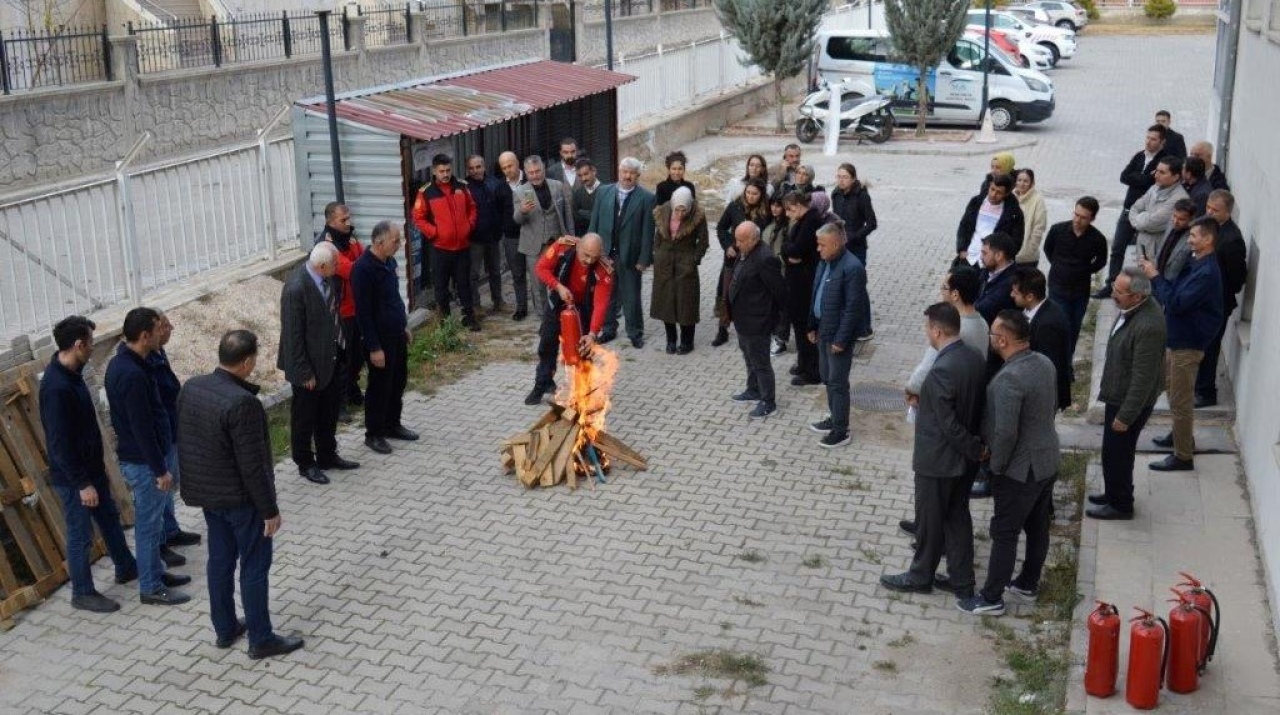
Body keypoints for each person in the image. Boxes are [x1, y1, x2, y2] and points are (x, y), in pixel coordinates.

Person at [178, 329, 305, 659]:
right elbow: (253, 466)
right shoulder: (242, 403)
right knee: (254, 565)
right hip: (240, 502)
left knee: (219, 561)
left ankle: (225, 628)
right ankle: (261, 639)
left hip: (209, 497)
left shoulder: (193, 387)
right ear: (247, 362)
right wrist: (269, 510)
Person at [881, 302, 986, 597]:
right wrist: (975, 450)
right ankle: (961, 580)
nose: (926, 333)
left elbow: (949, 424)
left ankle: (920, 577)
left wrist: (974, 447)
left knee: (929, 522)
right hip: (964, 462)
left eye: (927, 328)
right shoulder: (974, 357)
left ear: (937, 331)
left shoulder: (941, 369)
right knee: (957, 518)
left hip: (938, 461)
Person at [958, 311, 1060, 616]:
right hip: (1047, 459)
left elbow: (1005, 432)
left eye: (992, 335)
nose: (990, 339)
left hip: (1019, 469)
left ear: (1002, 340)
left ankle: (992, 597)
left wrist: (996, 466)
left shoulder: (1008, 379)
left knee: (1004, 531)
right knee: (1038, 525)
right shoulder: (1044, 363)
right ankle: (1028, 582)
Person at [40, 316, 138, 613]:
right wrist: (82, 484)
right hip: (74, 480)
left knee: (109, 518)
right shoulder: (56, 388)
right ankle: (82, 592)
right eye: (91, 344)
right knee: (81, 535)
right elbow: (58, 444)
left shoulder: (72, 373)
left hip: (91, 469)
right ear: (78, 345)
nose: (93, 349)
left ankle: (126, 567)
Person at [105, 307, 191, 606]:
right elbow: (142, 427)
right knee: (149, 525)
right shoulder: (130, 374)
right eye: (157, 329)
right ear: (144, 336)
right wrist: (160, 469)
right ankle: (151, 587)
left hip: (146, 459)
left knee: (152, 524)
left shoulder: (130, 363)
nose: (162, 333)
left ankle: (157, 571)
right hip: (144, 464)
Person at [1139, 217, 1223, 472]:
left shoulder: (1206, 272)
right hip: (1177, 338)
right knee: (1172, 390)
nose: (1189, 240)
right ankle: (1179, 435)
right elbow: (1175, 289)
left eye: (1194, 236)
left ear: (1208, 240)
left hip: (1188, 343)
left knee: (1180, 401)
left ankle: (1183, 455)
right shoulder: (1195, 262)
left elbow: (1176, 302)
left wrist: (1154, 276)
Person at [1087, 269, 1166, 520]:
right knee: (1112, 452)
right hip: (1118, 394)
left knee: (1119, 453)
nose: (1113, 294)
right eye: (1113, 288)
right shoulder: (1133, 310)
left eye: (1119, 292)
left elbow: (1143, 378)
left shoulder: (1149, 326)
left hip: (1128, 403)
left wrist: (1126, 416)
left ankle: (1120, 504)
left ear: (1137, 296)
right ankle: (1113, 492)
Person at [278, 243, 359, 485]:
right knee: (304, 417)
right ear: (322, 266)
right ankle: (305, 463)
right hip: (308, 368)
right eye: (336, 264)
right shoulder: (296, 288)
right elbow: (293, 336)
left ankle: (327, 455)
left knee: (329, 411)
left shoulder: (328, 280)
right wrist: (304, 372)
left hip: (331, 360)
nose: (339, 268)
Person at [352, 221, 419, 455]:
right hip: (379, 340)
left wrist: (403, 326)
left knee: (398, 381)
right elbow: (364, 313)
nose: (400, 245)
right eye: (396, 241)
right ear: (379, 242)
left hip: (396, 334)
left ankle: (393, 424)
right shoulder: (363, 269)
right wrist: (373, 347)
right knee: (379, 387)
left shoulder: (389, 262)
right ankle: (374, 434)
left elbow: (394, 299)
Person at [524, 234, 614, 405]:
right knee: (547, 345)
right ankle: (542, 383)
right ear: (578, 247)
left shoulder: (604, 268)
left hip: (583, 308)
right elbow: (541, 268)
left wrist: (593, 334)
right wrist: (558, 286)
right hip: (559, 301)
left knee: (583, 350)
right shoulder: (563, 247)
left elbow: (601, 304)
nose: (588, 261)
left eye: (593, 257)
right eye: (585, 255)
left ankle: (583, 392)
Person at [145, 312, 201, 554]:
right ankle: (159, 542)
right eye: (165, 326)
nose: (170, 329)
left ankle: (170, 530)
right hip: (162, 433)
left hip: (171, 428)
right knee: (159, 490)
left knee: (169, 486)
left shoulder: (159, 353)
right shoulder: (145, 361)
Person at [807, 222, 866, 448]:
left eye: (822, 245)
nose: (818, 249)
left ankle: (841, 430)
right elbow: (816, 294)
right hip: (823, 330)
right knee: (827, 378)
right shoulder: (825, 262)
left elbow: (853, 308)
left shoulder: (853, 268)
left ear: (835, 243)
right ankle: (834, 417)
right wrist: (811, 325)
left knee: (838, 383)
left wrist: (841, 340)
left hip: (837, 337)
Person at [590, 156, 656, 348]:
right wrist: (591, 251)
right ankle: (608, 329)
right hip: (605, 255)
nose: (627, 176)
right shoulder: (603, 192)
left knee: (631, 296)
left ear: (638, 176)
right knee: (607, 294)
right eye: (624, 172)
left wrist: (644, 259)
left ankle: (635, 332)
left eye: (632, 173)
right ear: (619, 172)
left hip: (630, 257)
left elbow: (647, 232)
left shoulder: (646, 198)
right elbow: (594, 222)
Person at [1097, 124, 1169, 298]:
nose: (1149, 142)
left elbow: (1149, 183)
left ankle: (1141, 290)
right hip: (1129, 210)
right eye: (1148, 138)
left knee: (1145, 253)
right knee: (1117, 247)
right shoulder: (1139, 156)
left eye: (1153, 139)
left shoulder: (1163, 161)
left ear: (1162, 142)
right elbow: (1124, 176)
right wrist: (1142, 178)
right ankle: (1111, 284)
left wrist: (1139, 179)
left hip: (1147, 215)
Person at [412, 153, 479, 330]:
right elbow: (418, 218)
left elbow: (472, 207)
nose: (445, 174)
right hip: (440, 248)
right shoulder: (426, 192)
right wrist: (435, 233)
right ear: (434, 171)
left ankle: (469, 317)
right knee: (441, 287)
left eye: (448, 170)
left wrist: (469, 225)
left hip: (462, 247)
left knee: (464, 283)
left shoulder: (462, 187)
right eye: (441, 171)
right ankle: (445, 321)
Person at [728, 222, 787, 418]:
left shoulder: (765, 259)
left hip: (758, 321)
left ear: (754, 239)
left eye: (741, 240)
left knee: (761, 362)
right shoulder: (745, 252)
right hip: (743, 320)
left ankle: (768, 402)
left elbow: (779, 292)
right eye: (736, 239)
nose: (737, 244)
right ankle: (753, 390)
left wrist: (775, 322)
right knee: (748, 357)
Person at [1196, 190, 1247, 408]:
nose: (1209, 212)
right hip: (1204, 300)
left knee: (1210, 347)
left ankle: (1207, 392)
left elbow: (1236, 278)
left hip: (1218, 302)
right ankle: (1198, 385)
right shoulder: (1210, 227)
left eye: (1215, 210)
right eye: (1208, 207)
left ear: (1228, 211)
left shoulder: (1232, 239)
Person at [316, 201, 366, 419]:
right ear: (330, 221)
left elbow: (363, 257)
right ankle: (339, 404)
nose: (348, 223)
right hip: (338, 311)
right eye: (343, 220)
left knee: (356, 355)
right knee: (341, 359)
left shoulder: (350, 238)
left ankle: (353, 392)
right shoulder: (327, 246)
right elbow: (352, 271)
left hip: (355, 307)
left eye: (349, 218)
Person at [1044, 196, 1108, 359]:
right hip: (1058, 288)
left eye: (1083, 217)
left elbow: (1101, 261)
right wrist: (1059, 266)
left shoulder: (1097, 239)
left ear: (1092, 219)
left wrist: (1084, 270)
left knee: (1073, 328)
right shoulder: (1058, 230)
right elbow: (1048, 249)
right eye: (1076, 214)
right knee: (1057, 326)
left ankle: (1067, 362)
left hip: (1080, 291)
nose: (1078, 220)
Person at [515, 155, 575, 321]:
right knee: (538, 284)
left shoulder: (557, 186)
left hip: (559, 242)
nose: (535, 175)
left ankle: (561, 312)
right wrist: (523, 211)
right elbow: (517, 220)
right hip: (534, 245)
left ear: (543, 169)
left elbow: (567, 214)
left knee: (561, 279)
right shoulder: (521, 191)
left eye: (538, 171)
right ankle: (544, 319)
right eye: (531, 172)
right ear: (526, 173)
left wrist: (571, 239)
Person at [651, 187, 709, 354]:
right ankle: (671, 340)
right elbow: (658, 236)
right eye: (678, 209)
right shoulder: (662, 212)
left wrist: (694, 259)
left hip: (686, 264)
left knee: (686, 304)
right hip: (665, 263)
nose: (681, 213)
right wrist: (657, 254)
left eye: (684, 209)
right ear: (673, 205)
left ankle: (687, 342)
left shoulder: (697, 215)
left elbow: (703, 241)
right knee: (666, 303)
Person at [713, 179, 771, 347]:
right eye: (748, 193)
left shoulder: (765, 211)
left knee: (749, 295)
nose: (750, 197)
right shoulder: (734, 206)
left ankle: (748, 330)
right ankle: (722, 329)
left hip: (755, 260)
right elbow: (721, 227)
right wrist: (727, 246)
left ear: (761, 195)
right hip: (733, 257)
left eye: (755, 194)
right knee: (726, 293)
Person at [1012, 267, 1073, 410]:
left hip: (1043, 399)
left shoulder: (1048, 325)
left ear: (1030, 296)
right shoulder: (1033, 309)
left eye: (1015, 292)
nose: (1011, 295)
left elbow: (1046, 368)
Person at [830, 163, 877, 342]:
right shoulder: (835, 194)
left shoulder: (862, 196)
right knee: (841, 285)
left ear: (853, 179)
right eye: (839, 176)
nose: (841, 180)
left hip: (856, 248)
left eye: (845, 177)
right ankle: (846, 323)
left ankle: (865, 328)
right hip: (839, 247)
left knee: (858, 285)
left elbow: (872, 223)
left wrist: (854, 237)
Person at [781, 191, 824, 386]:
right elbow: (786, 249)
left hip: (805, 283)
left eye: (789, 210)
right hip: (797, 281)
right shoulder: (803, 220)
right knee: (798, 325)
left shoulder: (811, 221)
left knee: (806, 327)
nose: (788, 215)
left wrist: (789, 250)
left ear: (797, 205)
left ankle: (812, 371)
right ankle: (803, 362)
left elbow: (796, 250)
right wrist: (788, 250)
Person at [465, 154, 506, 313]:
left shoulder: (495, 183)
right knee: (473, 274)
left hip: (493, 237)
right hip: (474, 239)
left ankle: (498, 301)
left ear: (484, 166)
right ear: (467, 170)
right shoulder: (464, 188)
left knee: (495, 270)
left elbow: (502, 208)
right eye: (471, 168)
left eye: (478, 167)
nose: (475, 171)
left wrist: (500, 228)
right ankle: (476, 305)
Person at [956, 174, 1025, 267]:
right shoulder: (976, 202)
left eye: (999, 192)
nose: (993, 195)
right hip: (969, 258)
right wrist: (962, 249)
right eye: (992, 189)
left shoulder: (1014, 213)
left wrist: (999, 260)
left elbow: (1016, 241)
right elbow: (964, 226)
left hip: (992, 265)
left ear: (1006, 194)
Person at [1130, 156, 1189, 264]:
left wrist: (1141, 217)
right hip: (1142, 247)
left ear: (1176, 177)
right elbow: (1134, 208)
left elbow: (1153, 223)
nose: (1156, 175)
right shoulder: (1154, 188)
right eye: (1156, 170)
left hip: (1158, 252)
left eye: (1162, 172)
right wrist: (1144, 218)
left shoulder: (1179, 198)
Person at [495, 151, 529, 321]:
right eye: (504, 168)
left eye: (510, 165)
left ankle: (544, 308)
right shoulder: (500, 188)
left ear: (517, 162)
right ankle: (522, 307)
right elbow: (499, 212)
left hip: (532, 233)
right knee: (517, 274)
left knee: (538, 274)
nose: (508, 170)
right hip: (511, 237)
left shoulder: (531, 179)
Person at [762, 194, 792, 356]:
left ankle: (781, 339)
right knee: (770, 306)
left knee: (782, 308)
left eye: (778, 205)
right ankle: (773, 335)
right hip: (767, 272)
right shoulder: (769, 223)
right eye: (772, 205)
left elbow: (786, 250)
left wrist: (779, 259)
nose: (774, 208)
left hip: (781, 272)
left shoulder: (788, 226)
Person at [975, 232, 1019, 325]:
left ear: (999, 256)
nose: (981, 257)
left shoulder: (1011, 281)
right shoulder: (987, 271)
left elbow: (984, 308)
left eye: (985, 253)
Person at [1012, 169, 1047, 266]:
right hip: (1009, 255)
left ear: (1032, 183)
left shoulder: (1037, 200)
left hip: (1027, 258)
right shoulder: (1011, 197)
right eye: (1019, 180)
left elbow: (1039, 226)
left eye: (1025, 181)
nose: (1021, 184)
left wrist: (1030, 248)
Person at [1155, 199, 1195, 281]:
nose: (1175, 221)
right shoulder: (1171, 224)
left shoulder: (1193, 238)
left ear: (1191, 219)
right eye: (1174, 216)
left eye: (1181, 219)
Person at [571, 158, 601, 237]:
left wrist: (582, 212)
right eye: (580, 176)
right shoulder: (577, 194)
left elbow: (603, 218)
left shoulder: (606, 191)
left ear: (594, 171)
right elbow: (576, 219)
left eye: (586, 174)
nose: (583, 178)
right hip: (584, 239)